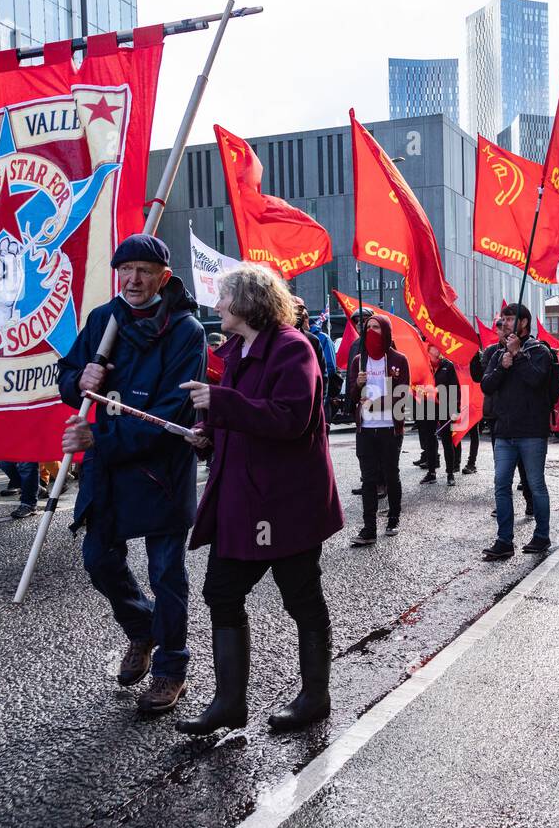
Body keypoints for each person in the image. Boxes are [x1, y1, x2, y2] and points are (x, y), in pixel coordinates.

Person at [177, 263, 344, 736]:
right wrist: (205, 436)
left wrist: (220, 405)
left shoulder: (294, 349)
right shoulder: (235, 351)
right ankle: (229, 704)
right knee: (221, 593)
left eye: (223, 297)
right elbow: (236, 416)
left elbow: (291, 418)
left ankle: (315, 696)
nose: (216, 306)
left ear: (247, 302)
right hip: (241, 499)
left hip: (284, 501)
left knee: (301, 598)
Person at [58, 234, 206, 715]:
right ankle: (142, 629)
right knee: (98, 560)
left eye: (145, 270)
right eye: (127, 270)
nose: (134, 279)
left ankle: (170, 667)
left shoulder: (186, 331)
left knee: (166, 573)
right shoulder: (104, 319)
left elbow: (170, 415)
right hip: (108, 472)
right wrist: (78, 381)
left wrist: (100, 439)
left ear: (164, 276)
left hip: (161, 469)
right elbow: (69, 376)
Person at [480, 302, 554, 560]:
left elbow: (536, 380)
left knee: (535, 485)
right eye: (503, 319)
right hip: (504, 432)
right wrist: (503, 364)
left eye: (510, 319)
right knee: (501, 484)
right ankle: (504, 540)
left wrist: (519, 356)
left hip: (531, 431)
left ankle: (542, 536)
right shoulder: (497, 353)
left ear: (523, 323)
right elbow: (487, 385)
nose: (505, 323)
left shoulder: (539, 350)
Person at [347, 313, 409, 544]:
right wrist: (358, 385)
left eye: (376, 327)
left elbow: (402, 395)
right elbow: (352, 396)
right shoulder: (358, 361)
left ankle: (393, 517)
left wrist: (377, 403)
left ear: (386, 331)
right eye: (368, 327)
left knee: (391, 475)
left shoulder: (399, 359)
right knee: (368, 479)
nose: (371, 331)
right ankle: (369, 528)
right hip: (366, 430)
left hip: (389, 429)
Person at [416, 340, 460, 486]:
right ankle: (431, 472)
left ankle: (450, 473)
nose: (439, 349)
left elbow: (455, 388)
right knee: (429, 440)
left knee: (447, 440)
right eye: (435, 346)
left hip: (444, 407)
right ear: (428, 349)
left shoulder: (448, 365)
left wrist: (455, 408)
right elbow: (416, 385)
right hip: (427, 406)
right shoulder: (423, 366)